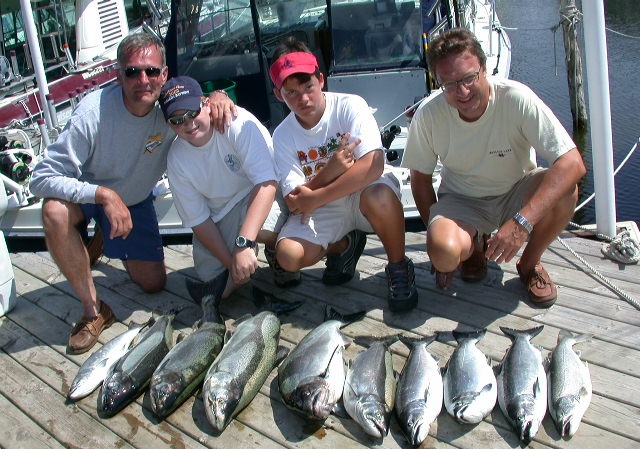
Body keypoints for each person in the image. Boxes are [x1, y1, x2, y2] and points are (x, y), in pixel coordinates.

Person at [29, 33, 236, 354]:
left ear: (164, 75)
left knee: (153, 284)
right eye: (132, 72)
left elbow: (199, 100)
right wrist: (104, 196)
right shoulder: (91, 113)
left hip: (135, 200)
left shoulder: (171, 108)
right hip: (88, 195)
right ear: (118, 75)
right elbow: (40, 179)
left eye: (151, 71)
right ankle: (93, 311)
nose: (143, 80)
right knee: (54, 211)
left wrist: (219, 95)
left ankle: (100, 238)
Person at [403, 28, 586, 307]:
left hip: (517, 190)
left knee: (567, 190)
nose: (462, 92)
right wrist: (438, 242)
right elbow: (420, 181)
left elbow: (573, 163)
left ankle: (530, 264)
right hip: (462, 200)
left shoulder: (516, 98)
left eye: (468, 78)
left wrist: (522, 222)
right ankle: (473, 249)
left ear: (484, 69)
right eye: (449, 84)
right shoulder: (429, 114)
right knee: (443, 253)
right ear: (437, 82)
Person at [269, 37, 418, 312]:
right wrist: (331, 170)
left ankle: (398, 266)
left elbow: (373, 164)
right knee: (288, 256)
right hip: (326, 207)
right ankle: (344, 246)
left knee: (380, 196)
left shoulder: (350, 105)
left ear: (321, 80)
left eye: (308, 87)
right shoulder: (282, 135)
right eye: (291, 92)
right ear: (279, 95)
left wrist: (316, 196)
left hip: (364, 191)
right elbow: (294, 201)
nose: (303, 98)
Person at [158, 76, 296, 298]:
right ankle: (241, 265)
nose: (188, 123)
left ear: (206, 103)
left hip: (259, 193)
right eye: (177, 120)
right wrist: (232, 265)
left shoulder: (236, 122)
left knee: (264, 229)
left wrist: (243, 244)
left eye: (193, 113)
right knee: (218, 287)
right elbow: (198, 220)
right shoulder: (176, 158)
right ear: (169, 124)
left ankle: (274, 249)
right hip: (222, 214)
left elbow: (267, 183)